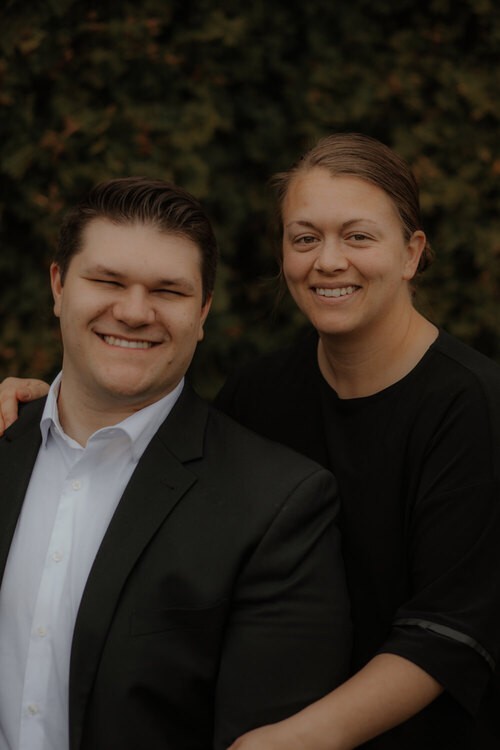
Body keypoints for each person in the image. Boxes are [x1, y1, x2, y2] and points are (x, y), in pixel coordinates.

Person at [2, 135, 500, 749]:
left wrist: (290, 740)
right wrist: (38, 413)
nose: (328, 260)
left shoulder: (474, 405)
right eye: (304, 238)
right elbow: (167, 462)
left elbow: (450, 630)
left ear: (411, 253)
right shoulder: (262, 391)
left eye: (358, 236)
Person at [0, 177, 351, 750]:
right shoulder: (5, 441)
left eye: (168, 290)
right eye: (108, 281)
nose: (134, 312)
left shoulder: (276, 506)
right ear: (59, 286)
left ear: (203, 311)